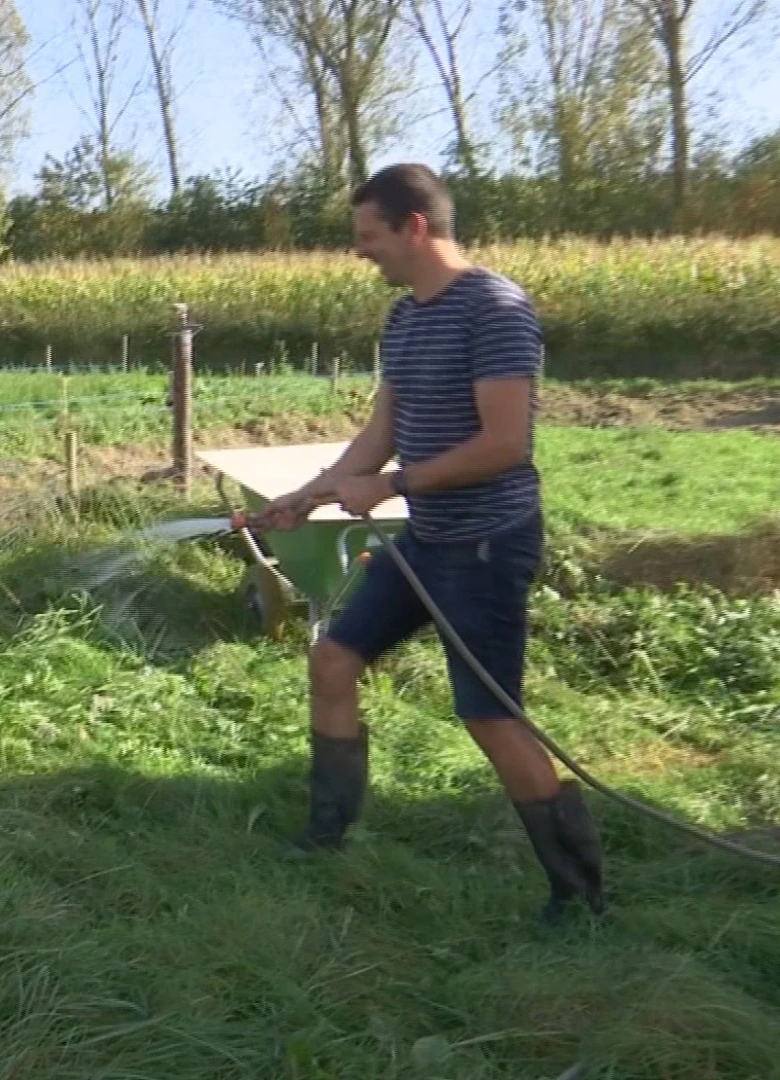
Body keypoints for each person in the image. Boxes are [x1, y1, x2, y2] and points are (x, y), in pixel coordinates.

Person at [254, 163, 606, 925]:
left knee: (489, 715)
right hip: (429, 537)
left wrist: (391, 486)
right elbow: (379, 433)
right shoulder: (406, 318)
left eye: (367, 236)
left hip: (486, 543)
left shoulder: (495, 309)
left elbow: (505, 445)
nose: (359, 252)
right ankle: (328, 833)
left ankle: (579, 894)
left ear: (415, 227)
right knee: (333, 658)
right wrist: (305, 496)